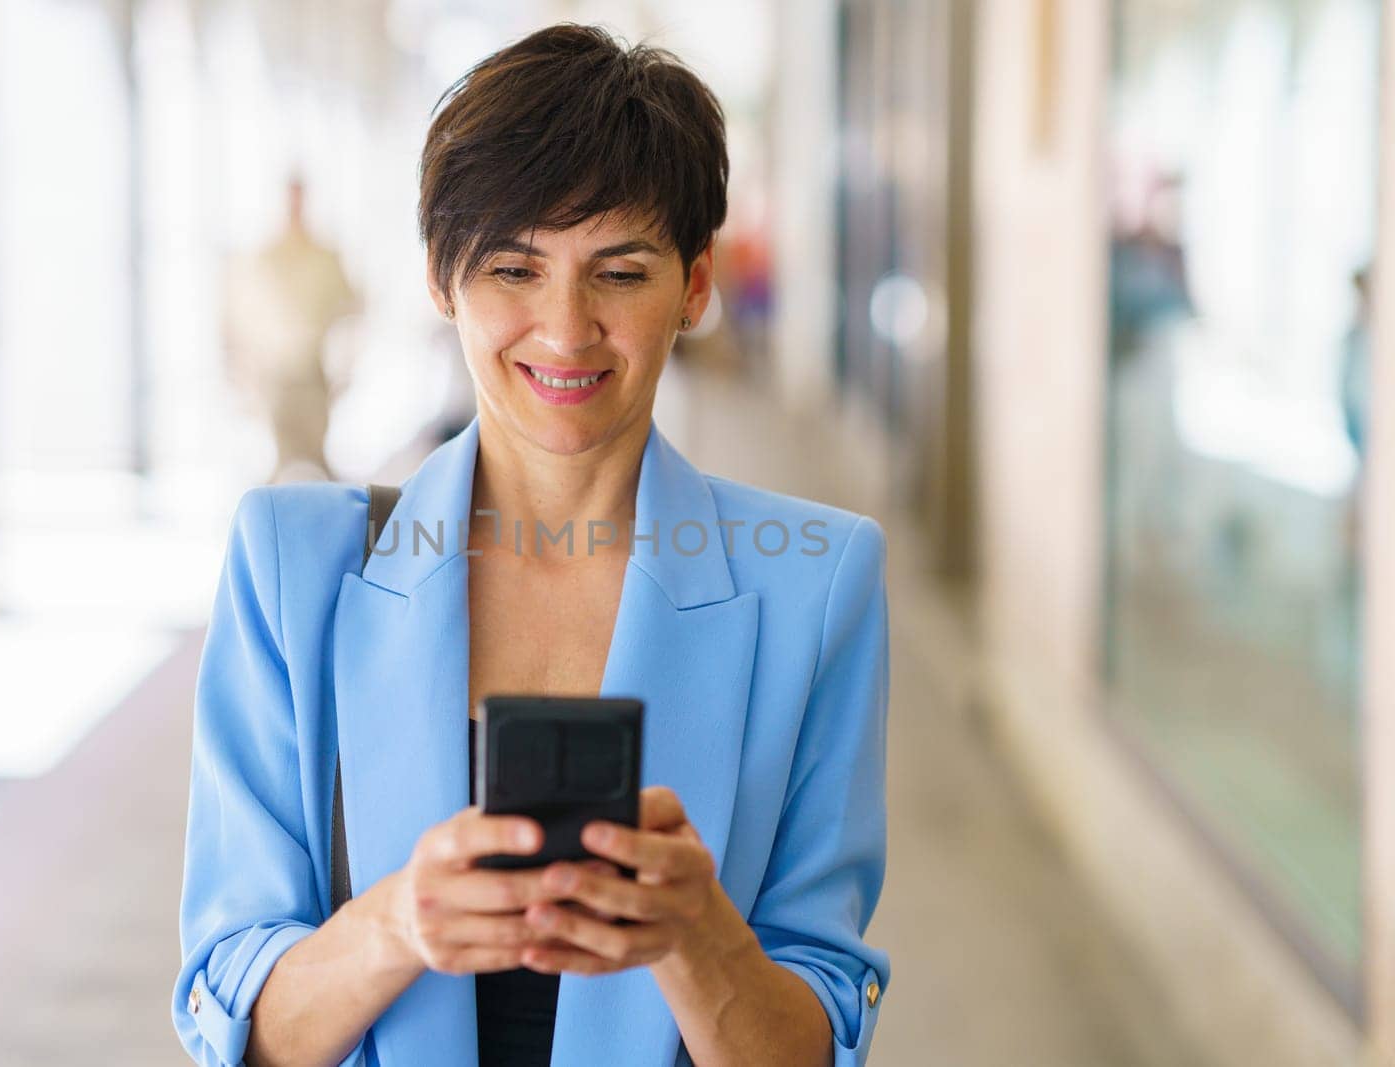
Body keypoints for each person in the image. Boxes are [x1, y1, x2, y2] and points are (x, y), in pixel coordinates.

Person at [175, 25, 889, 1067]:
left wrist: (696, 934)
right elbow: (234, 1027)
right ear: (439, 278)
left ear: (694, 286)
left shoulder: (814, 583)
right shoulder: (294, 567)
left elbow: (813, 1041)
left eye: (620, 272)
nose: (564, 330)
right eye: (514, 267)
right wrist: (400, 923)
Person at [222, 174, 359, 483]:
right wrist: (242, 373)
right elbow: (239, 320)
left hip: (314, 371)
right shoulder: (263, 258)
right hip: (275, 375)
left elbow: (352, 313)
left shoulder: (325, 257)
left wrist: (346, 369)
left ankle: (335, 520)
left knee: (315, 454)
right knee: (281, 458)